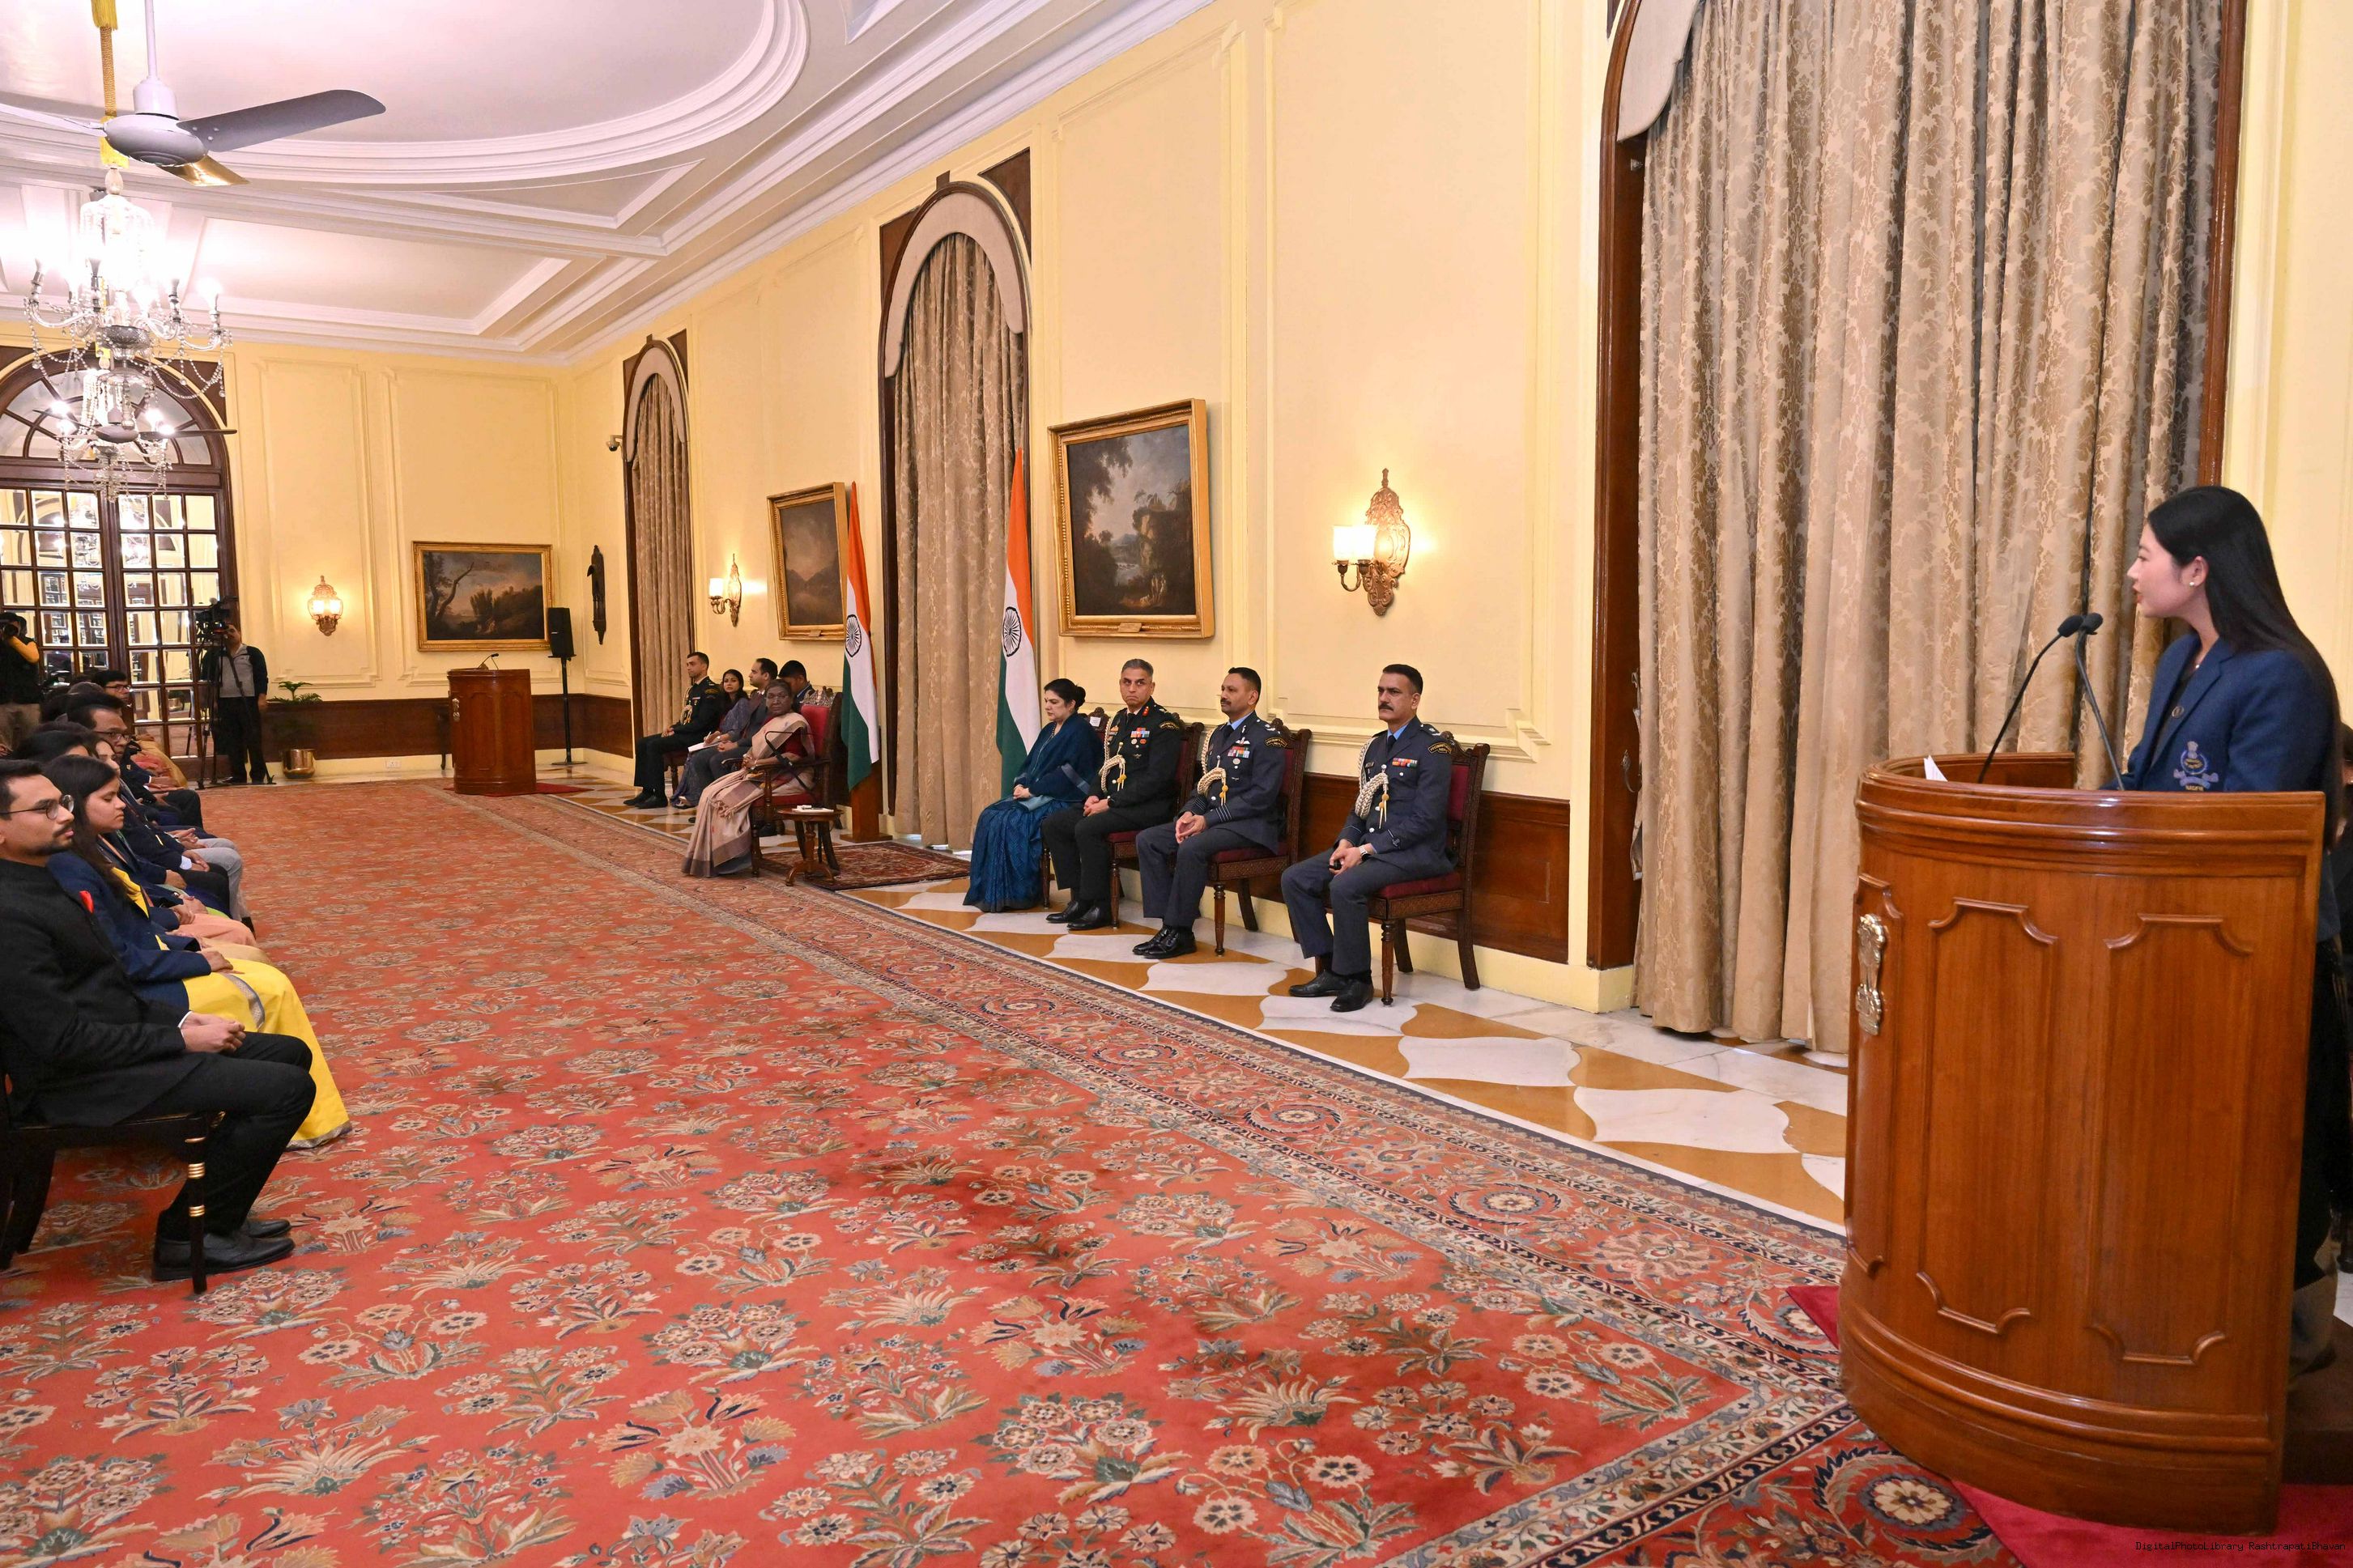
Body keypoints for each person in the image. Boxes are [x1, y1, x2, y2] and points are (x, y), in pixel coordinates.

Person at [2119, 485, 2353, 1379]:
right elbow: (2149, 788)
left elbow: (2253, 835)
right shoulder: (2183, 659)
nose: (2133, 571)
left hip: (2263, 958)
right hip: (2170, 942)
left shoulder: (2281, 674)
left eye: (2146, 555)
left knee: (2270, 1149)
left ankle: (2284, 1338)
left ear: (2196, 568)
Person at [0, 759, 313, 1281]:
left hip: (113, 1044)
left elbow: (106, 987)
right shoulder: (9, 913)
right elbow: (61, 1040)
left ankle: (211, 1211)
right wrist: (177, 1040)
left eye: (64, 803)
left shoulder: (43, 876)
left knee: (288, 1054)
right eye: (46, 808)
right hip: (76, 1079)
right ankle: (187, 1237)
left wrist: (184, 1022)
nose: (66, 815)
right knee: (284, 1090)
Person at [42, 753, 350, 1148]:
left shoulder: (85, 852)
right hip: (136, 993)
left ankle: (281, 1108)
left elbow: (128, 929)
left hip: (144, 967)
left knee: (263, 976)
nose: (122, 804)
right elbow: (117, 956)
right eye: (108, 798)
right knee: (267, 987)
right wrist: (192, 958)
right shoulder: (68, 866)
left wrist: (184, 946)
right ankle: (278, 1110)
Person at [1281, 664, 1457, 1013]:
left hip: (1415, 853)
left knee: (1345, 885)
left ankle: (1359, 980)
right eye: (1380, 691)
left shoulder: (1432, 749)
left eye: (1394, 692)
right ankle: (1333, 970)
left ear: (1415, 700)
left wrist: (1364, 850)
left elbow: (1426, 820)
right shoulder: (1376, 746)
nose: (1384, 698)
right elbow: (1360, 807)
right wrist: (1346, 842)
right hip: (1371, 847)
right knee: (1295, 878)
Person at [1131, 668, 1287, 957]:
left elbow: (1261, 797)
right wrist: (1189, 813)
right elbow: (1206, 787)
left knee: (1192, 847)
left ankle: (1180, 931)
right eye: (1223, 689)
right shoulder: (1219, 735)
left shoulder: (1267, 738)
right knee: (1149, 840)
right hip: (1214, 821)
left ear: (1252, 697)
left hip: (1250, 825)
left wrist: (1209, 819)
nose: (1223, 695)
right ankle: (1169, 926)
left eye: (1232, 690)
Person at [1043, 659, 1186, 931]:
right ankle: (1079, 898)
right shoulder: (1119, 720)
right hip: (1115, 802)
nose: (1132, 688)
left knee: (1088, 828)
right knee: (1055, 823)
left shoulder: (1163, 724)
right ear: (1120, 684)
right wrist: (1093, 795)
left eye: (1140, 683)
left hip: (1148, 807)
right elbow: (1107, 765)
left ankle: (1101, 905)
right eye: (1126, 682)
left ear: (1151, 687)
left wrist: (1110, 802)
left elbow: (1158, 779)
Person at [964, 678, 1100, 912]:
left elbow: (1069, 774)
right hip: (1038, 793)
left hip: (1065, 798)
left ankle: (1019, 894)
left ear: (1071, 704)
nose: (1047, 706)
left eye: (1054, 702)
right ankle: (993, 892)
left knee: (1011, 821)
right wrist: (1022, 784)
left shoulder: (1080, 731)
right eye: (1046, 701)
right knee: (990, 815)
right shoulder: (1049, 729)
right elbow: (1031, 763)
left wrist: (1033, 790)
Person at [681, 681, 819, 877]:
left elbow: (793, 756)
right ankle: (710, 858)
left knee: (726, 801)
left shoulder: (795, 722)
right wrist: (749, 759)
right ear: (766, 701)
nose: (776, 701)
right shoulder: (772, 721)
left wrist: (759, 763)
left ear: (791, 699)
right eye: (771, 697)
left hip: (791, 777)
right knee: (711, 793)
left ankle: (730, 857)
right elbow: (757, 750)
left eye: (782, 696)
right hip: (765, 773)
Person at [625, 652, 728, 808]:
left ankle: (659, 796)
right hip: (687, 732)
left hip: (699, 736)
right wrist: (673, 727)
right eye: (687, 664)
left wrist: (678, 731)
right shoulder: (692, 690)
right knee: (642, 743)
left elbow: (702, 722)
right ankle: (647, 791)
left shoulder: (710, 690)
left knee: (654, 745)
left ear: (704, 666)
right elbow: (686, 718)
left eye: (692, 664)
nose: (688, 668)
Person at [675, 659, 778, 809]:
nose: (750, 675)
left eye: (754, 672)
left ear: (766, 675)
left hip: (756, 746)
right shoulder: (756, 695)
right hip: (743, 742)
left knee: (717, 760)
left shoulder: (773, 698)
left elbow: (762, 732)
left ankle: (727, 805)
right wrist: (728, 740)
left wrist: (735, 744)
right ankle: (709, 805)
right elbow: (742, 727)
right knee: (699, 758)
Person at [198, 623, 272, 785]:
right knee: (233, 740)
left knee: (253, 738)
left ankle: (258, 775)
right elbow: (211, 680)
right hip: (226, 702)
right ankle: (238, 775)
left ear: (239, 633)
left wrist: (262, 698)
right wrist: (213, 701)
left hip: (249, 701)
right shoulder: (216, 655)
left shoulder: (252, 653)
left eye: (232, 631)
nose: (230, 634)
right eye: (226, 632)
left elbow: (262, 676)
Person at [0, 612, 41, 750]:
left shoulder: (28, 642)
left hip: (28, 699)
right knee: (3, 742)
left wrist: (12, 639)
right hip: (3, 700)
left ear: (18, 625)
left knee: (33, 738)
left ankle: (32, 760)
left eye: (10, 625)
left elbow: (33, 657)